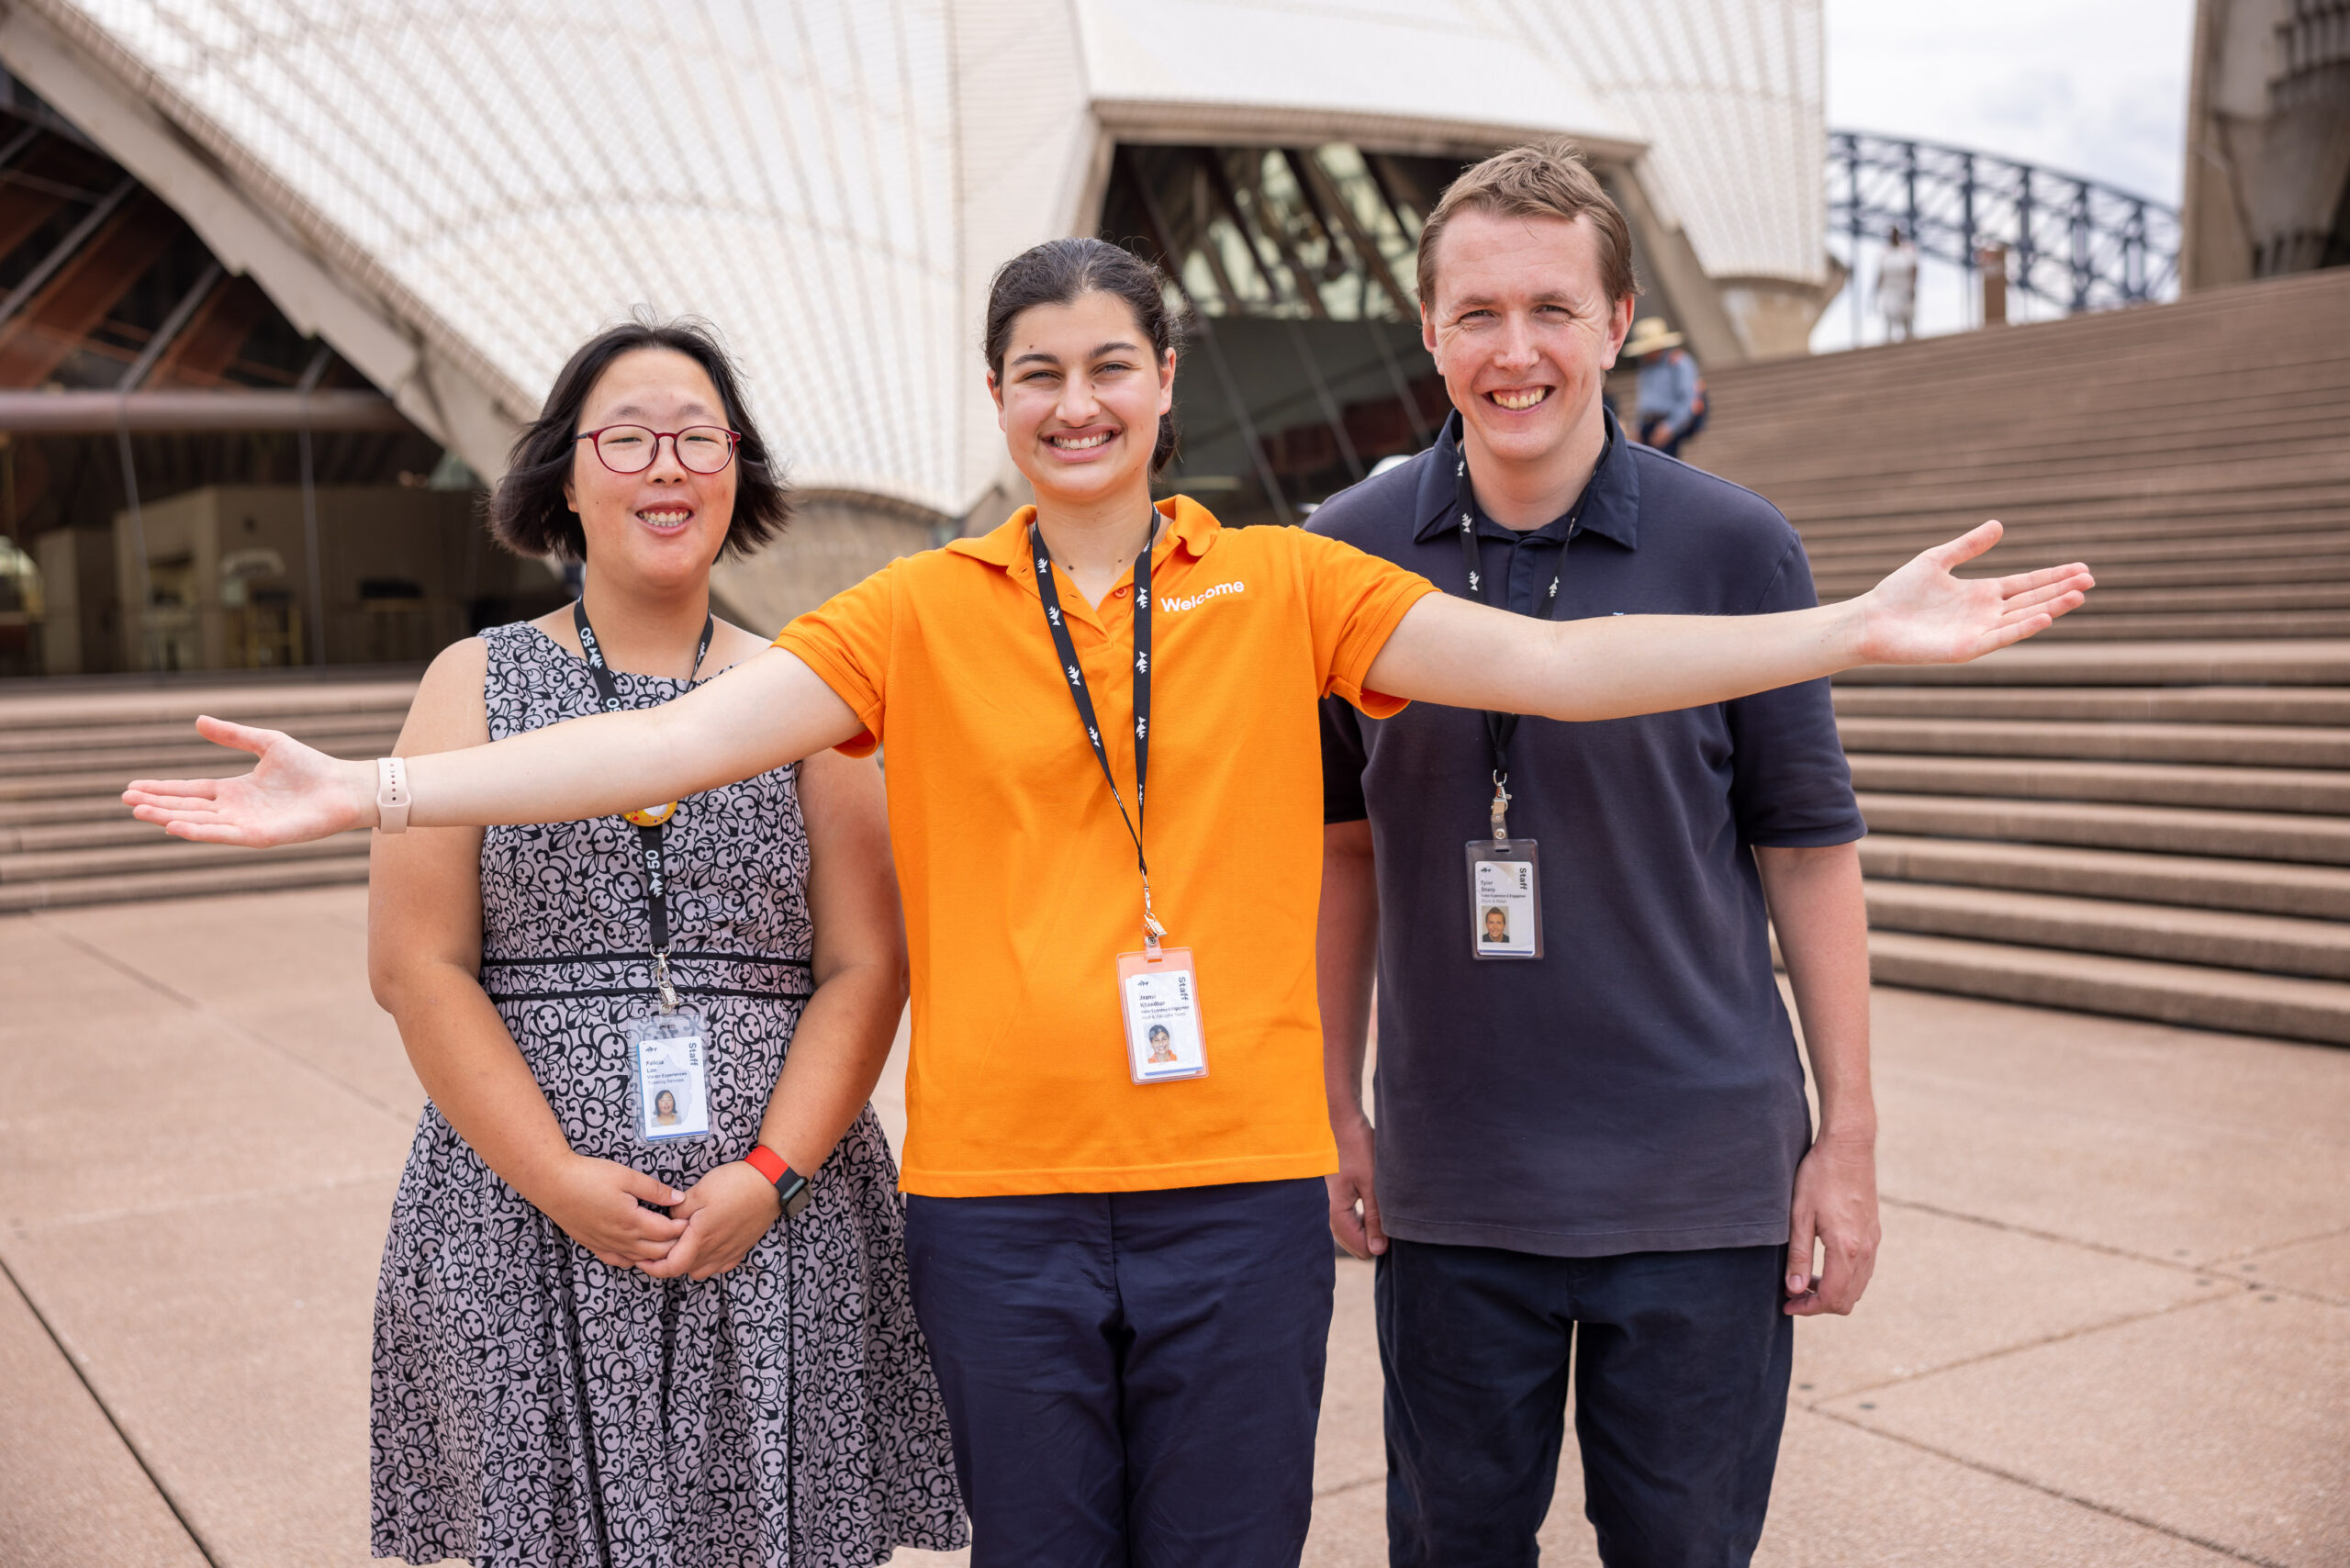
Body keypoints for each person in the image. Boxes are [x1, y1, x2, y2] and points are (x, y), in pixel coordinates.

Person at [126, 239, 2090, 1568]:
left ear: (1163, 387)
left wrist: (1846, 629)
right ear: (997, 397)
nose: (1076, 405)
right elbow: (669, 741)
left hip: (1237, 1189)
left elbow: (1563, 667)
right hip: (1000, 1204)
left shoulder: (1287, 584)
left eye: (1109, 369)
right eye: (1038, 374)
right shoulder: (912, 613)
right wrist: (372, 788)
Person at [1312, 140, 1875, 1568]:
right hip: (1454, 1187)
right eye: (1479, 314)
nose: (1516, 352)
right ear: (1428, 328)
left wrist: (1850, 1142)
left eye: (1553, 310)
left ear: (1618, 323)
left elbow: (1809, 854)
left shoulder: (1738, 548)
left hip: (1700, 1188)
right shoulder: (1343, 555)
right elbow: (1340, 856)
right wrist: (1331, 1106)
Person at [363, 318, 964, 1568]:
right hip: (521, 1220)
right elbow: (416, 966)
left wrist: (769, 1174)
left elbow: (866, 963)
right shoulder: (471, 683)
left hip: (779, 1223)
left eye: (699, 438)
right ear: (565, 478)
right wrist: (554, 1175)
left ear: (738, 470)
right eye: (627, 439)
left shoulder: (807, 692)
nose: (668, 467)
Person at [1627, 315, 1704, 456]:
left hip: (1667, 423)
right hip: (1648, 424)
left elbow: (1688, 398)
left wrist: (1670, 427)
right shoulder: (1646, 366)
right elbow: (1644, 399)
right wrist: (1637, 426)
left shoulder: (1678, 363)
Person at [1880, 225, 1919, 342]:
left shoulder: (1907, 251)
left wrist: (1912, 286)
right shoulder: (1884, 253)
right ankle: (1888, 341)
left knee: (1907, 315)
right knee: (1889, 314)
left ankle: (1909, 338)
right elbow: (1880, 274)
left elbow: (1914, 269)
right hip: (1890, 288)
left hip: (1904, 287)